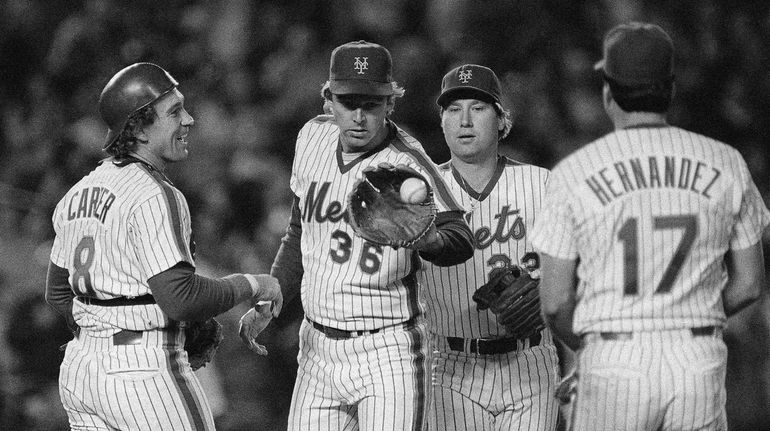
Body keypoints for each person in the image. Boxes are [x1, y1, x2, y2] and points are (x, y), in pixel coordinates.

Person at [531, 22, 770, 431]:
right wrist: (690, 313)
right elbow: (749, 284)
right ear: (670, 90)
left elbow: (554, 302)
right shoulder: (726, 161)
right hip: (696, 358)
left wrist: (587, 351)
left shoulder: (574, 172)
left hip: (614, 357)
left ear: (608, 92)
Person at [248, 40, 474, 431]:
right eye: (348, 102)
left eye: (370, 104)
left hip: (387, 352)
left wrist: (428, 239)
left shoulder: (407, 161)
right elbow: (301, 227)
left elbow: (461, 237)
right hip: (316, 348)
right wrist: (274, 292)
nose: (358, 116)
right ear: (328, 100)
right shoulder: (311, 138)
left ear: (390, 104)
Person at [46, 62, 283, 430]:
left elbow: (58, 294)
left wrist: (99, 333)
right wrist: (254, 284)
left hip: (81, 372)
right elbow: (181, 299)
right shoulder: (155, 194)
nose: (188, 120)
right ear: (138, 127)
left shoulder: (76, 194)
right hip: (142, 372)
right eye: (174, 112)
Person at [421, 64, 560, 430]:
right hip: (451, 366)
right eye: (453, 109)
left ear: (501, 120)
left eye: (478, 108)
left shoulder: (541, 184)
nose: (464, 120)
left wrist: (547, 295)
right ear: (442, 122)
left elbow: (578, 267)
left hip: (530, 362)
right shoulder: (421, 192)